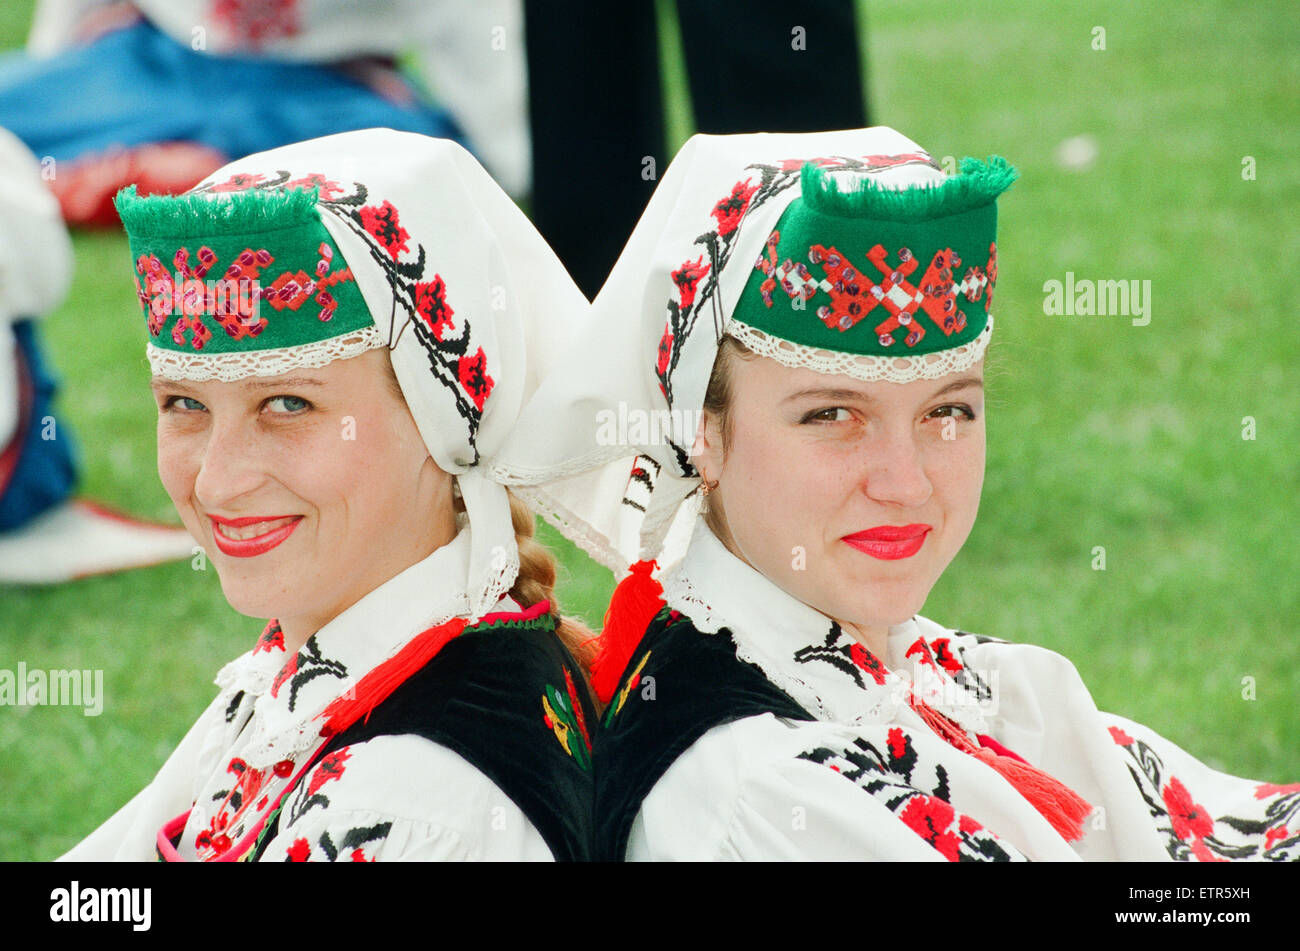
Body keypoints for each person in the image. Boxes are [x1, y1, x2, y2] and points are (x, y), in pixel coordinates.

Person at [494, 127, 1300, 861]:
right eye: (833, 414)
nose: (905, 482)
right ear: (699, 430)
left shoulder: (926, 672)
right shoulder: (762, 796)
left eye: (947, 409)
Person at [61, 129, 596, 861]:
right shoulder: (342, 647)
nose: (217, 481)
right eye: (184, 403)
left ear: (441, 416)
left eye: (286, 404)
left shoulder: (403, 806)